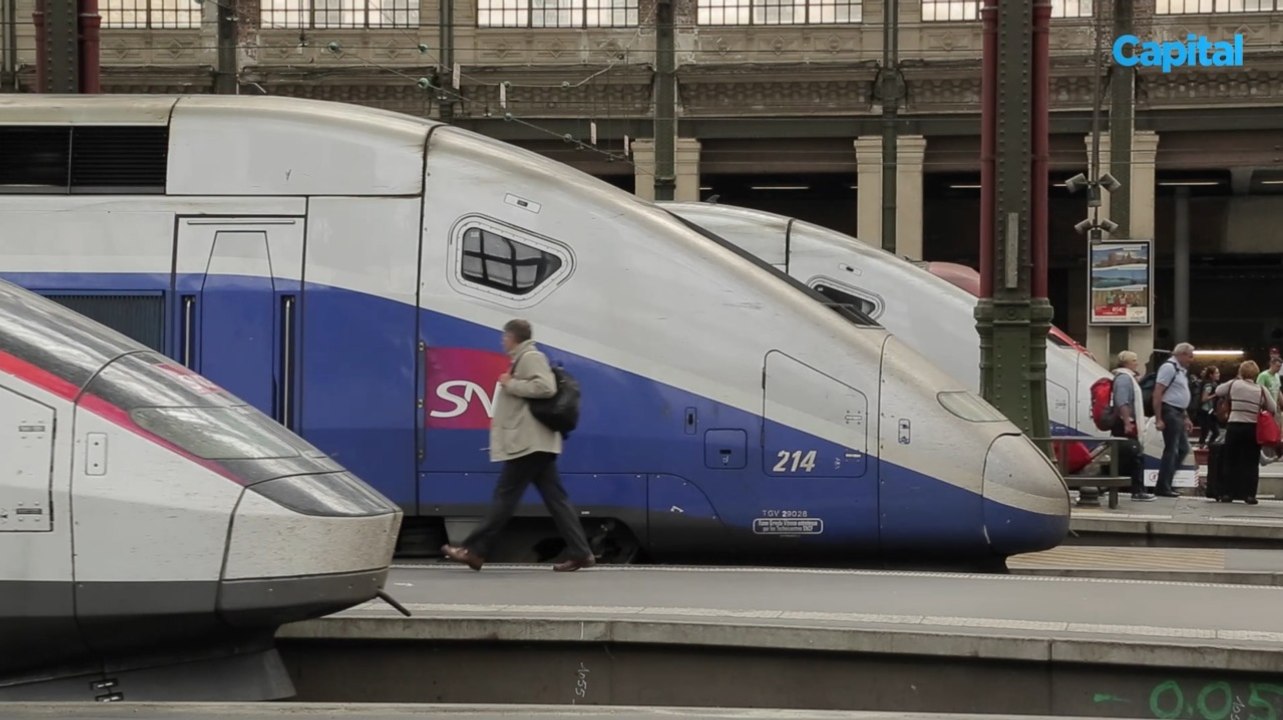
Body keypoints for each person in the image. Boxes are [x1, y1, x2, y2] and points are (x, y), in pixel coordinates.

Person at [441, 319, 596, 572]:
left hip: (529, 442)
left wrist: (510, 384)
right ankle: (581, 553)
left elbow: (546, 387)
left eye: (504, 336)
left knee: (505, 498)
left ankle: (473, 550)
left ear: (513, 337)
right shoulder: (522, 358)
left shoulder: (531, 356)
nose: (502, 341)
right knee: (556, 500)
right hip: (536, 443)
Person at [1214, 360, 1278, 504]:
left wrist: (1235, 380)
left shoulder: (1234, 384)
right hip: (1252, 428)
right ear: (1255, 373)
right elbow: (1273, 408)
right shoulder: (1261, 389)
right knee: (1251, 462)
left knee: (1230, 460)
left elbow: (1218, 391)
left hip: (1234, 426)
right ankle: (1249, 495)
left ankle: (1227, 493)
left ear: (1241, 372)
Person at [1152, 343, 1196, 498]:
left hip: (1177, 412)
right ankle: (1163, 486)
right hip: (1169, 411)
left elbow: (1179, 394)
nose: (1192, 359)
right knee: (1172, 449)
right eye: (1190, 356)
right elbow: (1158, 392)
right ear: (1182, 354)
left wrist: (1186, 417)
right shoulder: (1169, 368)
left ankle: (1166, 482)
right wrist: (1158, 418)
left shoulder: (1180, 370)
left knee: (1182, 449)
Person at [1111, 351, 1155, 502]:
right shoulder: (1124, 378)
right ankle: (1137, 491)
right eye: (1134, 360)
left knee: (1125, 457)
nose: (1137, 363)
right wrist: (1127, 422)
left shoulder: (1127, 377)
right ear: (1126, 362)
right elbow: (1122, 401)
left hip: (1125, 422)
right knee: (1135, 457)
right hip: (1125, 424)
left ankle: (1105, 486)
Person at [1197, 366, 1222, 448]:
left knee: (1212, 431)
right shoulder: (1208, 385)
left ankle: (1207, 446)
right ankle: (1206, 446)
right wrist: (1215, 394)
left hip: (1209, 411)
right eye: (1216, 373)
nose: (1219, 374)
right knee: (1208, 430)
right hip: (1206, 411)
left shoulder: (1213, 384)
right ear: (1211, 375)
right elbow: (1204, 398)